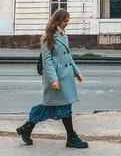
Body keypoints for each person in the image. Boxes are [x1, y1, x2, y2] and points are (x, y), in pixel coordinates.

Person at [16, 8, 88, 149]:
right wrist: (53, 80)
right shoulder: (48, 37)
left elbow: (67, 56)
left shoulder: (63, 35)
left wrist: (76, 72)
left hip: (65, 77)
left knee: (52, 107)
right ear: (57, 21)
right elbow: (47, 61)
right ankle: (71, 137)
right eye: (65, 20)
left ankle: (27, 128)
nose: (67, 23)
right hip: (58, 79)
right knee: (62, 107)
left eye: (68, 20)